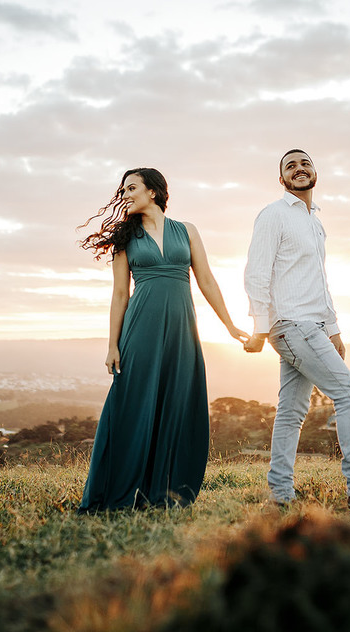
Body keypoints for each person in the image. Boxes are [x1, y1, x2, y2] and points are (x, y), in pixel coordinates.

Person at [77, 167, 248, 512]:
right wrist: (112, 344)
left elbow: (207, 281)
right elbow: (121, 294)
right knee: (132, 405)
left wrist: (229, 326)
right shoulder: (125, 239)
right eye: (123, 190)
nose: (124, 194)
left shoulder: (187, 231)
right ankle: (117, 491)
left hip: (182, 330)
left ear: (152, 192)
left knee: (176, 403)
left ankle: (164, 492)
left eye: (131, 187)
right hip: (140, 329)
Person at [243, 149, 350, 509]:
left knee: (291, 411)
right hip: (292, 326)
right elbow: (256, 273)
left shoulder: (315, 222)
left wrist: (333, 328)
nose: (299, 169)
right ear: (282, 179)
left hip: (313, 325)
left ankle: (280, 496)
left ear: (315, 172)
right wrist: (260, 326)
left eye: (305, 163)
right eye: (291, 166)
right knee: (349, 393)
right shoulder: (273, 215)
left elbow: (319, 280)